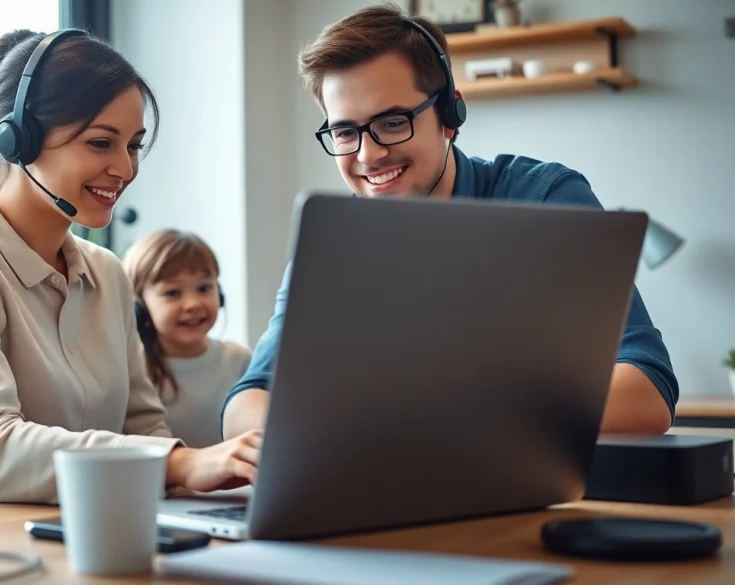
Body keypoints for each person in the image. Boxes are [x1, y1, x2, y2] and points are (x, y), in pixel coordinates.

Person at [222, 3, 678, 440]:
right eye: (345, 131)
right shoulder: (329, 244)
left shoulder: (544, 198)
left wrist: (436, 424)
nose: (368, 154)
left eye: (392, 122)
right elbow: (246, 404)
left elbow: (648, 390)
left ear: (450, 115)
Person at [0, 28, 260, 504]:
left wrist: (214, 488)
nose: (125, 168)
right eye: (100, 143)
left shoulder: (108, 274)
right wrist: (178, 462)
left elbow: (144, 428)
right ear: (18, 139)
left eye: (133, 145)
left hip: (107, 534)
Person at [122, 229, 252, 448]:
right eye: (173, 293)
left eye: (204, 288)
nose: (193, 304)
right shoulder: (134, 370)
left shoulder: (239, 360)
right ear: (140, 307)